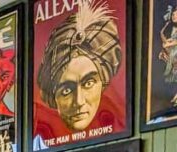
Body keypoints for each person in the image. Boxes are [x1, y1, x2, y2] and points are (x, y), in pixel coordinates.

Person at [35, 0, 123, 144]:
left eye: (88, 83)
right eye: (66, 90)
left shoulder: (117, 117)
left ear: (102, 82)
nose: (79, 101)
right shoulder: (40, 139)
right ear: (53, 95)